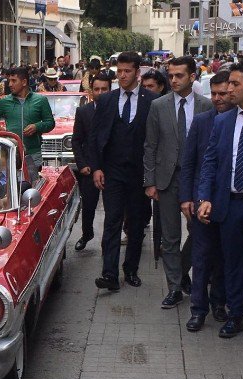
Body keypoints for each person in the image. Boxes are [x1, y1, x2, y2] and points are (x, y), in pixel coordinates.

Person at [144, 56, 213, 308]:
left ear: (192, 76)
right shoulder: (158, 106)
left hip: (197, 180)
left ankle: (183, 271)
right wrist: (149, 181)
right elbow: (150, 145)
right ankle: (174, 287)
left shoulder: (207, 106)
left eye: (179, 75)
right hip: (167, 179)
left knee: (199, 231)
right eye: (170, 75)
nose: (173, 80)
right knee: (169, 238)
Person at [89, 51, 159, 291]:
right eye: (119, 71)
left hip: (140, 173)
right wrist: (97, 167)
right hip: (113, 171)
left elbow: (156, 139)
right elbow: (96, 137)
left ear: (137, 73)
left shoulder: (151, 101)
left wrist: (153, 177)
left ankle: (131, 270)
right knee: (112, 222)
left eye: (127, 71)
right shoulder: (107, 100)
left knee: (137, 224)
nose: (122, 76)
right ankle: (109, 274)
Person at [197, 63, 243, 338]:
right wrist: (205, 197)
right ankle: (235, 315)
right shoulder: (223, 121)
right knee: (233, 263)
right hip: (231, 204)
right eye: (228, 84)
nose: (229, 89)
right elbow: (209, 163)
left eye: (235, 84)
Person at [180, 71, 231, 331]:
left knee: (224, 257)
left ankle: (219, 304)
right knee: (200, 258)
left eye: (223, 94)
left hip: (230, 204)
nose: (218, 98)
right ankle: (198, 309)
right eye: (214, 94)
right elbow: (189, 163)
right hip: (201, 202)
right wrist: (186, 198)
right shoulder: (201, 122)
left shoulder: (241, 122)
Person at [0, 67, 55, 178]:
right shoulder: (4, 101)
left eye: (14, 81)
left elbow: (50, 123)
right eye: (9, 81)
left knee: (31, 187)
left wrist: (37, 126)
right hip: (11, 153)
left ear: (24, 82)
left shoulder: (40, 100)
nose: (10, 84)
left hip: (33, 154)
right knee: (11, 187)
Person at [73, 73, 111, 251]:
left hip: (111, 168)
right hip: (89, 167)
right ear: (91, 91)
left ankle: (110, 240)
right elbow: (76, 140)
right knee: (88, 206)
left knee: (113, 209)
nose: (100, 92)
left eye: (104, 89)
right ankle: (86, 233)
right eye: (97, 89)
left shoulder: (117, 110)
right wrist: (82, 165)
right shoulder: (83, 112)